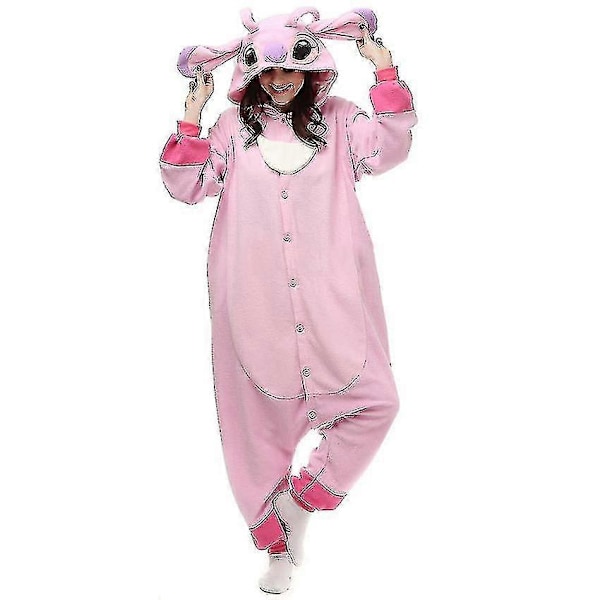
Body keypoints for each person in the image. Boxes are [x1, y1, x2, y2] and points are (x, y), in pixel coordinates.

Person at [158, 7, 418, 594]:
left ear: (311, 69)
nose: (279, 81)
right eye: (268, 71)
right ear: (251, 73)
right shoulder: (232, 129)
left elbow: (390, 148)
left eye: (290, 69)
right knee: (255, 437)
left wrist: (382, 67)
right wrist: (193, 113)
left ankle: (300, 504)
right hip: (255, 304)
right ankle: (278, 550)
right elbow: (186, 185)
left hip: (332, 298)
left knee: (377, 403)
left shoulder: (340, 121)